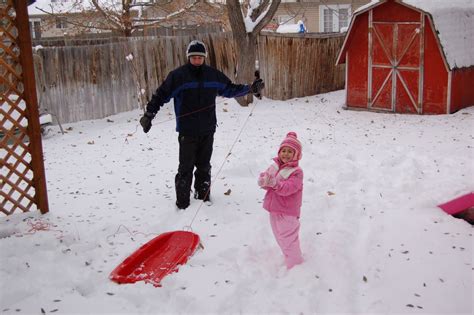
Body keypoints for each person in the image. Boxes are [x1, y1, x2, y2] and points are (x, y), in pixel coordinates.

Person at [140, 40, 264, 210]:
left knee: (204, 166)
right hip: (187, 130)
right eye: (194, 57)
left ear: (204, 58)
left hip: (208, 129)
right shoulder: (178, 76)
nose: (197, 60)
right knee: (185, 168)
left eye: (200, 57)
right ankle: (183, 204)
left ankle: (203, 199)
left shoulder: (212, 75)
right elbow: (161, 95)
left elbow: (229, 89)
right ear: (188, 58)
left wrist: (250, 88)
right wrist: (149, 113)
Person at [258, 132, 304, 269]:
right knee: (279, 236)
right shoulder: (275, 167)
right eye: (283, 150)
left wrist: (275, 184)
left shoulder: (296, 172)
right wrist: (264, 181)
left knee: (288, 238)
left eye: (290, 151)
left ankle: (296, 265)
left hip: (287, 212)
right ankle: (289, 256)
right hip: (274, 209)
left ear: (296, 155)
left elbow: (289, 188)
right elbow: (269, 185)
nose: (286, 154)